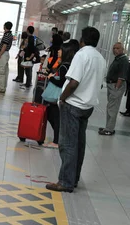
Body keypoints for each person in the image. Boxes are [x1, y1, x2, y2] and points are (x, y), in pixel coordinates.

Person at [46, 27, 106, 193]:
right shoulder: (100, 58)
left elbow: (73, 82)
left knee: (67, 144)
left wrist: (62, 98)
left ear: (82, 39)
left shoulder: (82, 55)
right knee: (79, 143)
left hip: (73, 104)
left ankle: (65, 181)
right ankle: (74, 178)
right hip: (88, 106)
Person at [44, 41, 79, 148]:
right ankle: (58, 138)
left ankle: (57, 141)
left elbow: (61, 81)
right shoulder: (67, 64)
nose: (58, 51)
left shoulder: (64, 66)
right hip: (59, 96)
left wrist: (51, 77)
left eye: (61, 50)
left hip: (58, 95)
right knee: (51, 115)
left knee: (55, 117)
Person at [99, 42, 128, 135]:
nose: (115, 50)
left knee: (112, 108)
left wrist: (116, 87)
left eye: (118, 48)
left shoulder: (123, 60)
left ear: (122, 49)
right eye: (114, 48)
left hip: (116, 86)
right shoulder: (118, 58)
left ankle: (109, 129)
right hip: (112, 85)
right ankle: (108, 126)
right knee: (110, 107)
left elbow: (122, 76)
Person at [0, 22, 13, 93]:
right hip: (5, 54)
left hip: (3, 54)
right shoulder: (10, 34)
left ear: (4, 26)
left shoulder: (7, 35)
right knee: (4, 71)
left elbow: (4, 46)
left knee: (0, 71)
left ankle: (0, 88)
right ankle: (3, 87)